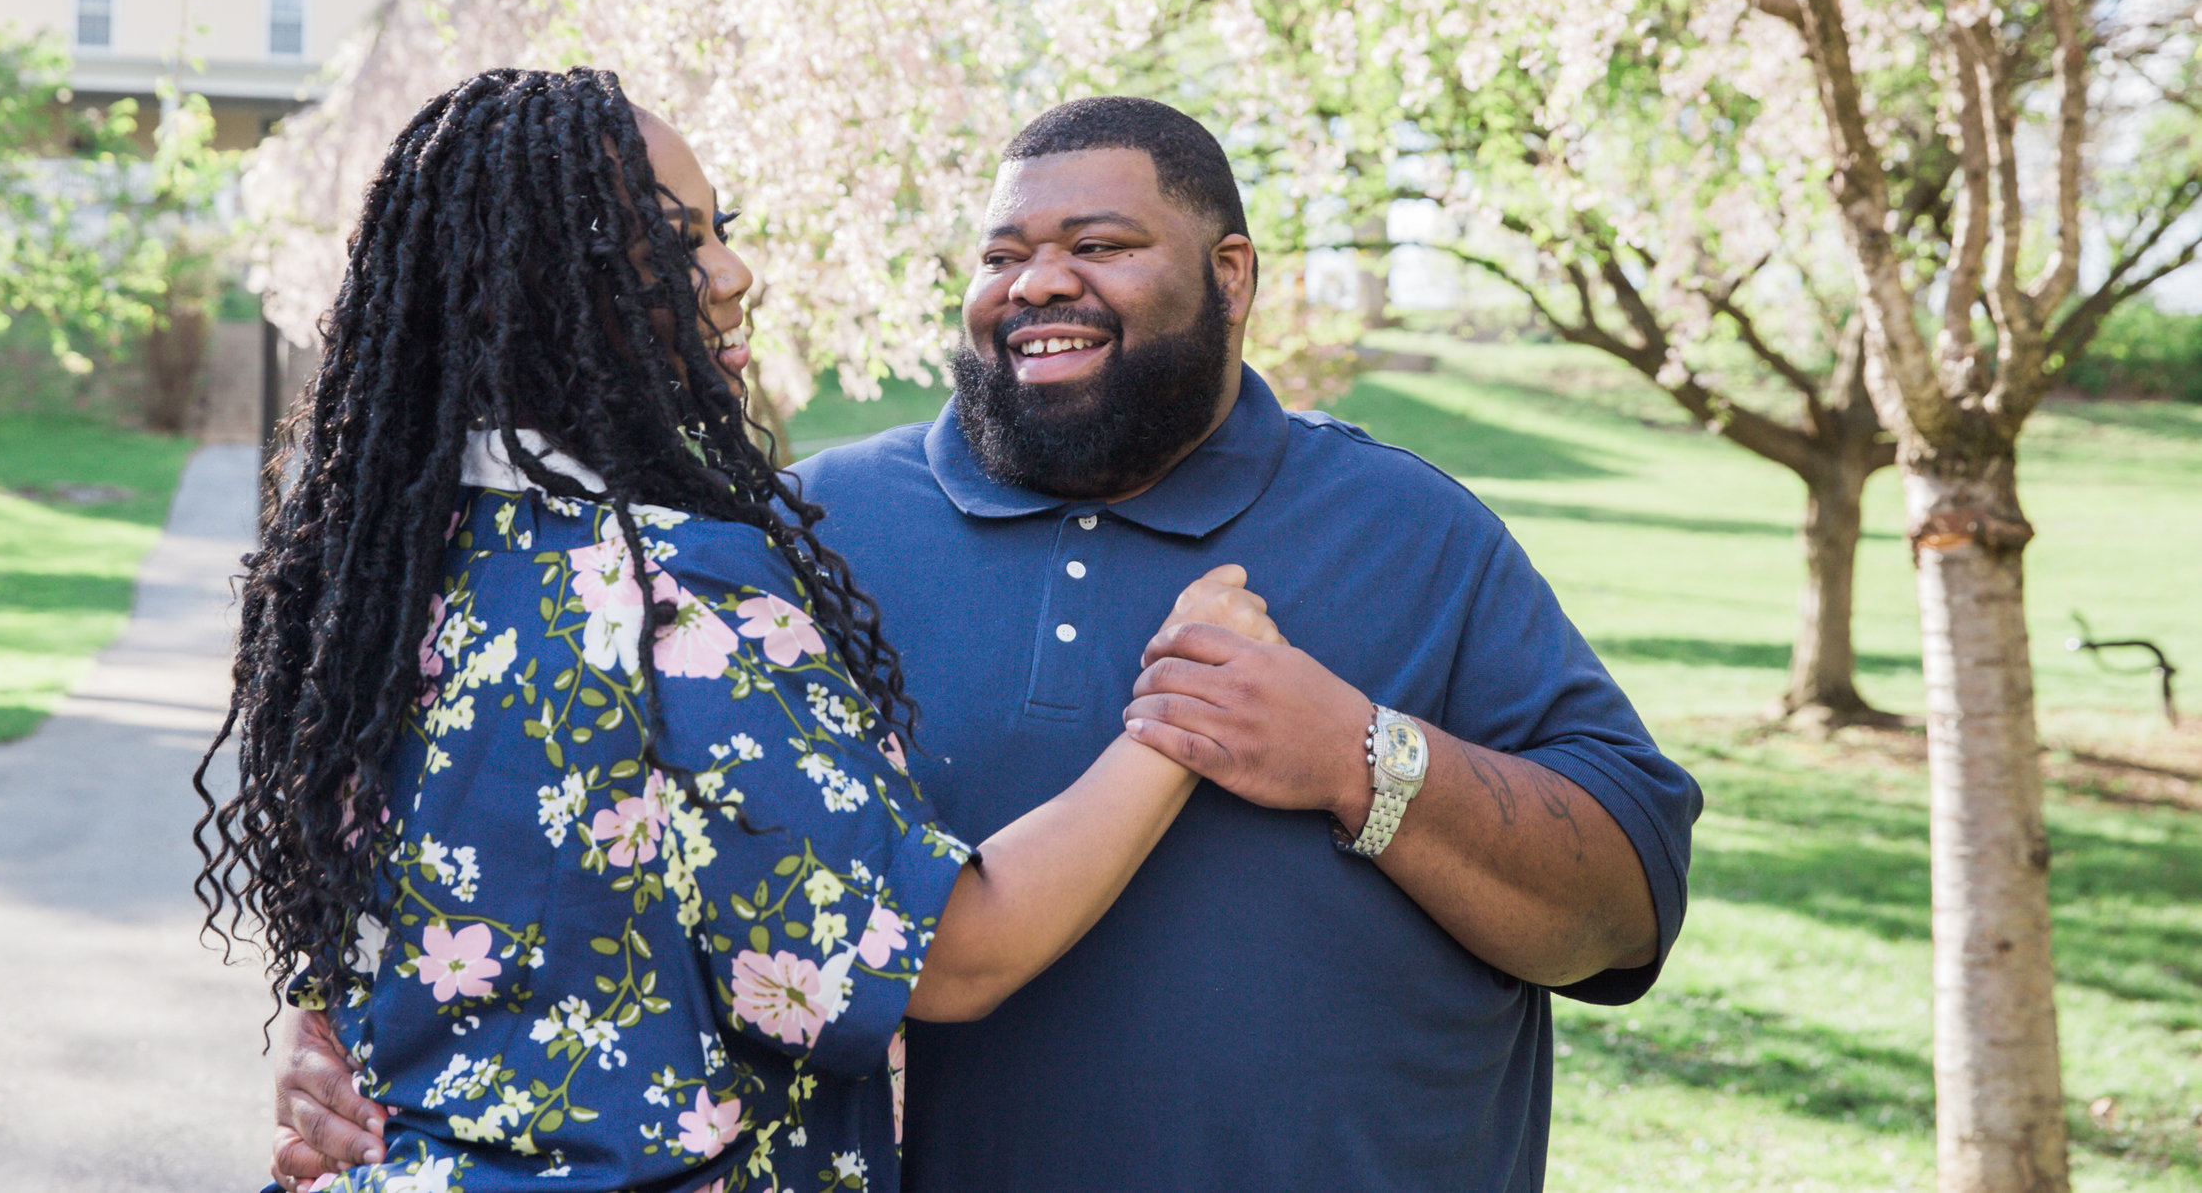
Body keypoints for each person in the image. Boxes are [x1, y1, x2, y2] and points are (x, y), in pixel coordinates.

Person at [273, 94, 1702, 1193]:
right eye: (1004, 251)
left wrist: (1358, 755)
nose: (1037, 283)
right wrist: (344, 1035)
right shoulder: (792, 533)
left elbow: (1625, 904)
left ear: (1233, 272)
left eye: (1100, 245)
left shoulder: (1408, 526)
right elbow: (548, 833)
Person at [198, 71, 1297, 1193]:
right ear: (543, 287)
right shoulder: (671, 594)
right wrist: (1175, 720)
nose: (733, 273)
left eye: (720, 230)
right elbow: (954, 954)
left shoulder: (382, 580)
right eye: (677, 243)